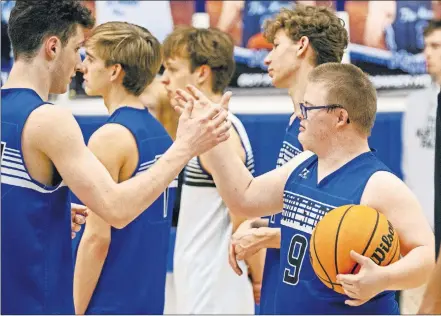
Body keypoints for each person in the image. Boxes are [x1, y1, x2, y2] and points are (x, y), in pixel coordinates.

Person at [0, 1, 230, 314]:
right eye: (78, 49)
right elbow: (117, 210)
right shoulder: (50, 120)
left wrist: (41, 219)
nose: (79, 64)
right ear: (52, 48)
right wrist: (185, 146)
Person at [174, 62, 435, 314]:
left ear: (340, 117)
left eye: (308, 107)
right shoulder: (303, 164)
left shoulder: (379, 184)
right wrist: (213, 133)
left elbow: (424, 255)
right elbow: (244, 197)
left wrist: (384, 278)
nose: (300, 113)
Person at [226, 5, 348, 314]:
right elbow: (300, 210)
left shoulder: (333, 123)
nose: (266, 58)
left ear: (302, 45)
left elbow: (339, 228)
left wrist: (266, 235)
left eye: (276, 46)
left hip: (318, 295)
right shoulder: (298, 120)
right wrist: (260, 224)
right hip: (287, 284)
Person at [73, 22, 177, 314]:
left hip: (110, 300)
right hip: (147, 299)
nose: (83, 67)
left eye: (91, 59)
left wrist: (75, 309)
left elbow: (96, 238)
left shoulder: (110, 138)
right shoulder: (160, 133)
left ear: (114, 71)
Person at [160, 26, 259, 314]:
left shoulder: (217, 132)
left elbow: (244, 214)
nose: (164, 79)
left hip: (215, 293)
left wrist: (260, 278)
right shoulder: (204, 128)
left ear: (202, 73)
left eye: (173, 69)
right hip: (203, 287)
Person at [400, 18, 441, 313]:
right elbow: (410, 171)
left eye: (436, 46)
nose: (427, 53)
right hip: (420, 237)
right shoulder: (414, 104)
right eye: (425, 46)